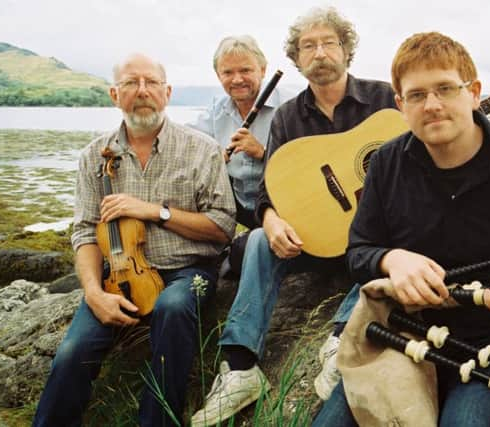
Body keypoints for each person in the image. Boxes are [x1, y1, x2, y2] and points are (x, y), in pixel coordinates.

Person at [313, 32, 490, 427]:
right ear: (401, 105)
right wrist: (392, 259)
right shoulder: (386, 164)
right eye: (417, 95)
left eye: (445, 89)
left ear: (473, 92)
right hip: (405, 330)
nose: (433, 105)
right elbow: (359, 252)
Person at [190, 7, 396, 426]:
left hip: (370, 244)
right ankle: (240, 367)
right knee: (261, 242)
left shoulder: (384, 99)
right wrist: (270, 219)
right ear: (297, 59)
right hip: (315, 239)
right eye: (308, 46)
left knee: (402, 233)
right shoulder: (288, 116)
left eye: (328, 42)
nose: (319, 52)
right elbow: (270, 188)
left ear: (346, 50)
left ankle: (341, 340)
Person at [32, 53, 236, 427]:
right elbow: (84, 232)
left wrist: (154, 211)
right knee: (72, 352)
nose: (142, 91)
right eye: (130, 83)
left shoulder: (202, 149)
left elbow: (222, 226)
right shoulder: (95, 155)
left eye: (151, 82)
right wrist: (93, 292)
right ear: (114, 94)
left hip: (186, 271)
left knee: (173, 308)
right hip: (116, 277)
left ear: (167, 92)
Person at [191, 35, 291, 230]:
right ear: (219, 76)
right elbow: (186, 141)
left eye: (245, 70)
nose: (237, 79)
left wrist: (263, 152)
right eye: (228, 72)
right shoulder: (216, 109)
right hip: (237, 209)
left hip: (284, 207)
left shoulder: (290, 105)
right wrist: (209, 157)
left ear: (262, 70)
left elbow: (307, 165)